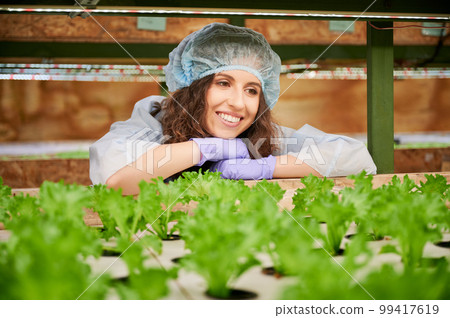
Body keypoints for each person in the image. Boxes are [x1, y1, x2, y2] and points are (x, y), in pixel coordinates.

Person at [90, 23, 376, 195]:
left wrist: (266, 166)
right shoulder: (151, 122)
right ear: (193, 88)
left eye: (252, 90)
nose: (239, 103)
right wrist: (204, 149)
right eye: (223, 83)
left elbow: (356, 158)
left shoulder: (259, 136)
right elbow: (117, 180)